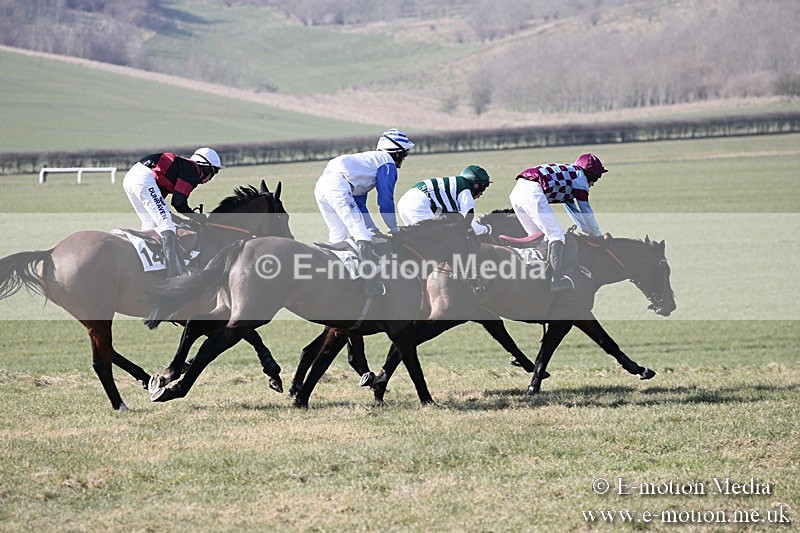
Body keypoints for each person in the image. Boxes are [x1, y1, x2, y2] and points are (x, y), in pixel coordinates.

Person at [314, 129, 414, 297]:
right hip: (338, 186)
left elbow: (360, 204)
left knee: (338, 235)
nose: (405, 158)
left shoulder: (367, 164)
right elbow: (385, 201)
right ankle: (370, 285)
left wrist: (373, 228)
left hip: (321, 187)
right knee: (362, 235)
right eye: (405, 153)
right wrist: (394, 229)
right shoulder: (386, 163)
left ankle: (340, 276)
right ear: (396, 153)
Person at [508, 153, 607, 292]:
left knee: (539, 237)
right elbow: (586, 210)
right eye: (596, 177)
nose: (594, 183)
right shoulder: (580, 178)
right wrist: (597, 235)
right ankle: (556, 280)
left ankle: (536, 274)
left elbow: (574, 211)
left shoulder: (570, 176)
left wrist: (589, 232)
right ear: (590, 174)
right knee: (556, 236)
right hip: (532, 190)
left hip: (517, 192)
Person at [122, 147, 223, 277]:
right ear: (206, 168)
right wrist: (196, 217)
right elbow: (178, 202)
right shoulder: (192, 170)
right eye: (214, 173)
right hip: (142, 179)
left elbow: (165, 209)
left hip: (131, 178)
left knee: (151, 224)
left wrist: (182, 218)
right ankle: (173, 273)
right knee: (166, 225)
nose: (210, 179)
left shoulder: (182, 168)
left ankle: (149, 266)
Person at [397, 164, 493, 235]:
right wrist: (487, 229)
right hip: (419, 204)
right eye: (482, 188)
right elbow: (471, 225)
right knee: (438, 240)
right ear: (475, 185)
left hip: (405, 202)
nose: (482, 193)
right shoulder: (465, 191)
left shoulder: (455, 186)